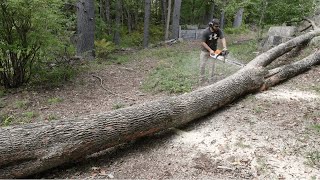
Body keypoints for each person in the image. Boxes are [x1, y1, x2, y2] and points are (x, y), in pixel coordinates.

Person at [199, 18, 227, 85]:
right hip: (205, 51)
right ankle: (201, 80)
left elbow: (223, 38)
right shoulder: (205, 32)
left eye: (218, 26)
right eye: (216, 26)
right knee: (202, 65)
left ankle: (211, 80)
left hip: (214, 51)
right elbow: (203, 42)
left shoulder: (219, 31)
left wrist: (224, 47)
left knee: (212, 66)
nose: (217, 27)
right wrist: (209, 50)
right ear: (211, 25)